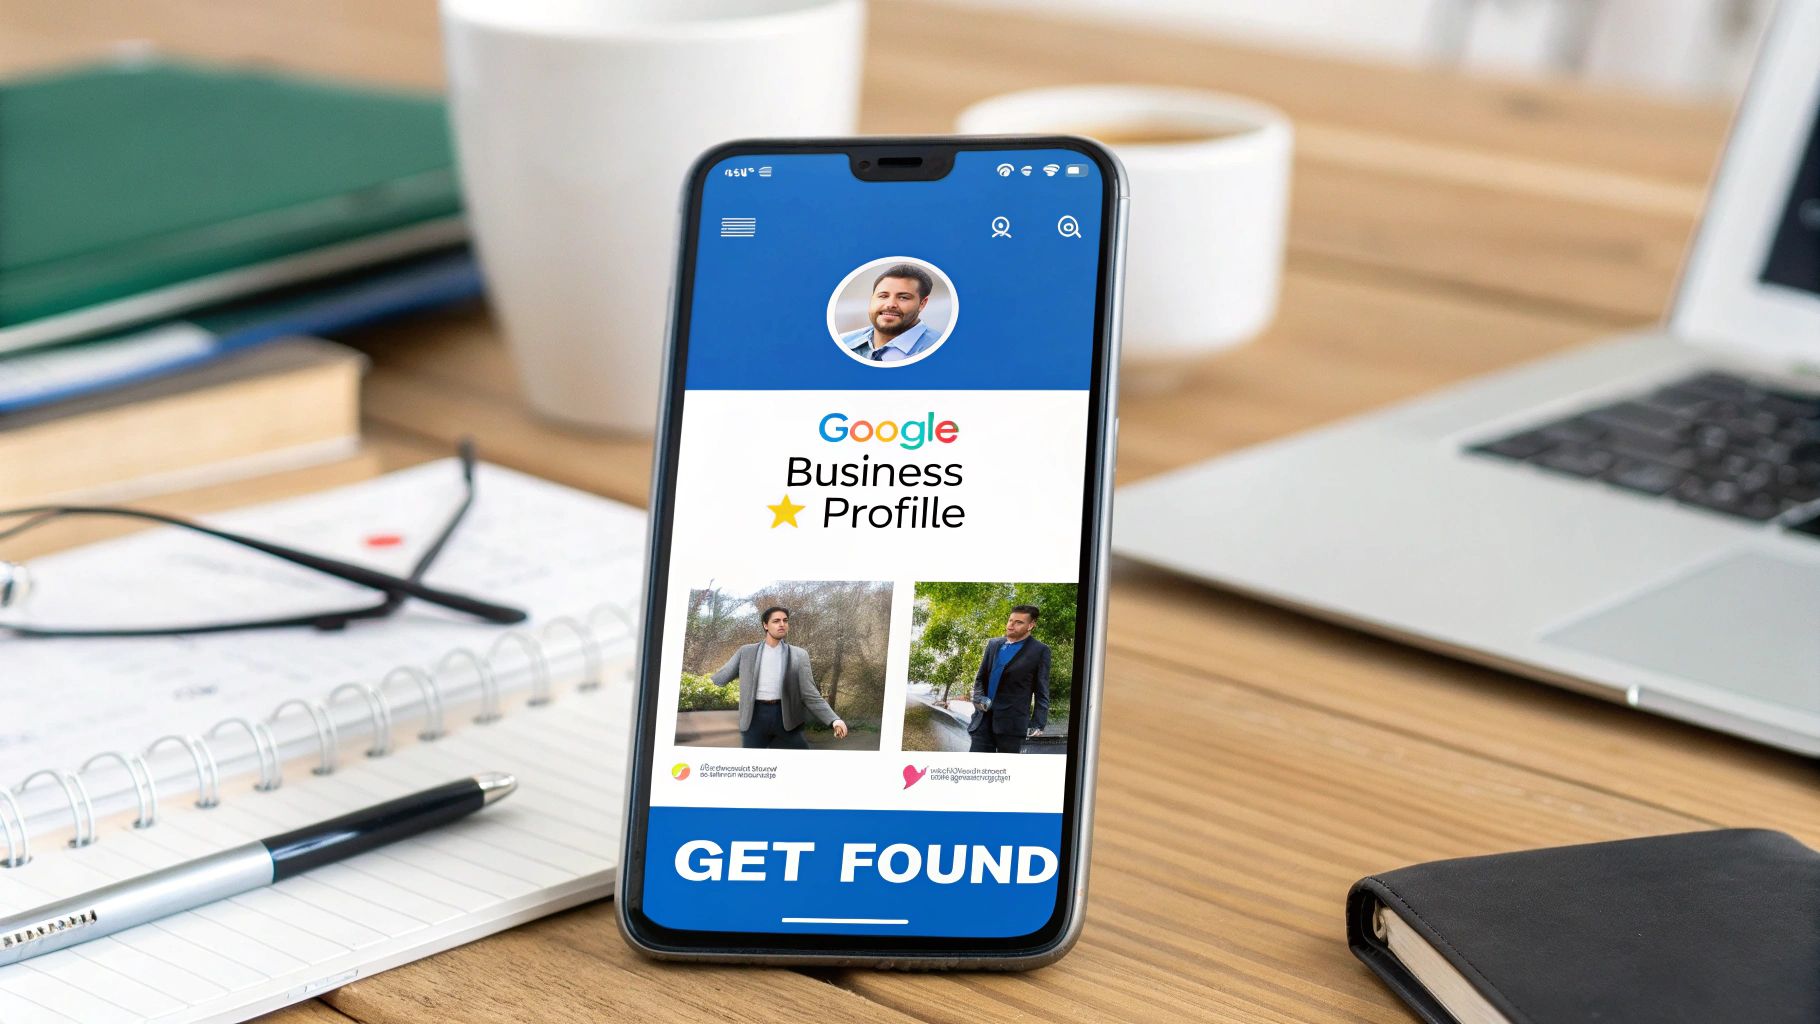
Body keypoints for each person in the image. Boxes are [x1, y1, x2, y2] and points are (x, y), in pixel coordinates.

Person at [712, 606, 848, 748]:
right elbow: (720, 678)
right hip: (753, 719)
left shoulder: (799, 655)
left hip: (787, 720)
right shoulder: (746, 652)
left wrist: (834, 720)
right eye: (776, 621)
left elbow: (810, 694)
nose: (782, 624)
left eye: (785, 620)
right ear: (765, 625)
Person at [967, 605, 1051, 754]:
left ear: (1031, 625)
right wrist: (979, 698)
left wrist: (1038, 724)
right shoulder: (993, 644)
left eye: (1018, 622)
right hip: (983, 722)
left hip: (1012, 726)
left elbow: (1042, 691)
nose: (1011, 625)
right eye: (1010, 620)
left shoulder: (1040, 650)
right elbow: (980, 678)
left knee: (1007, 771)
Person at [841, 263, 943, 363]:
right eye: (883, 296)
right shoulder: (843, 343)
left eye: (903, 297)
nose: (890, 304)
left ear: (922, 304)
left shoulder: (939, 349)